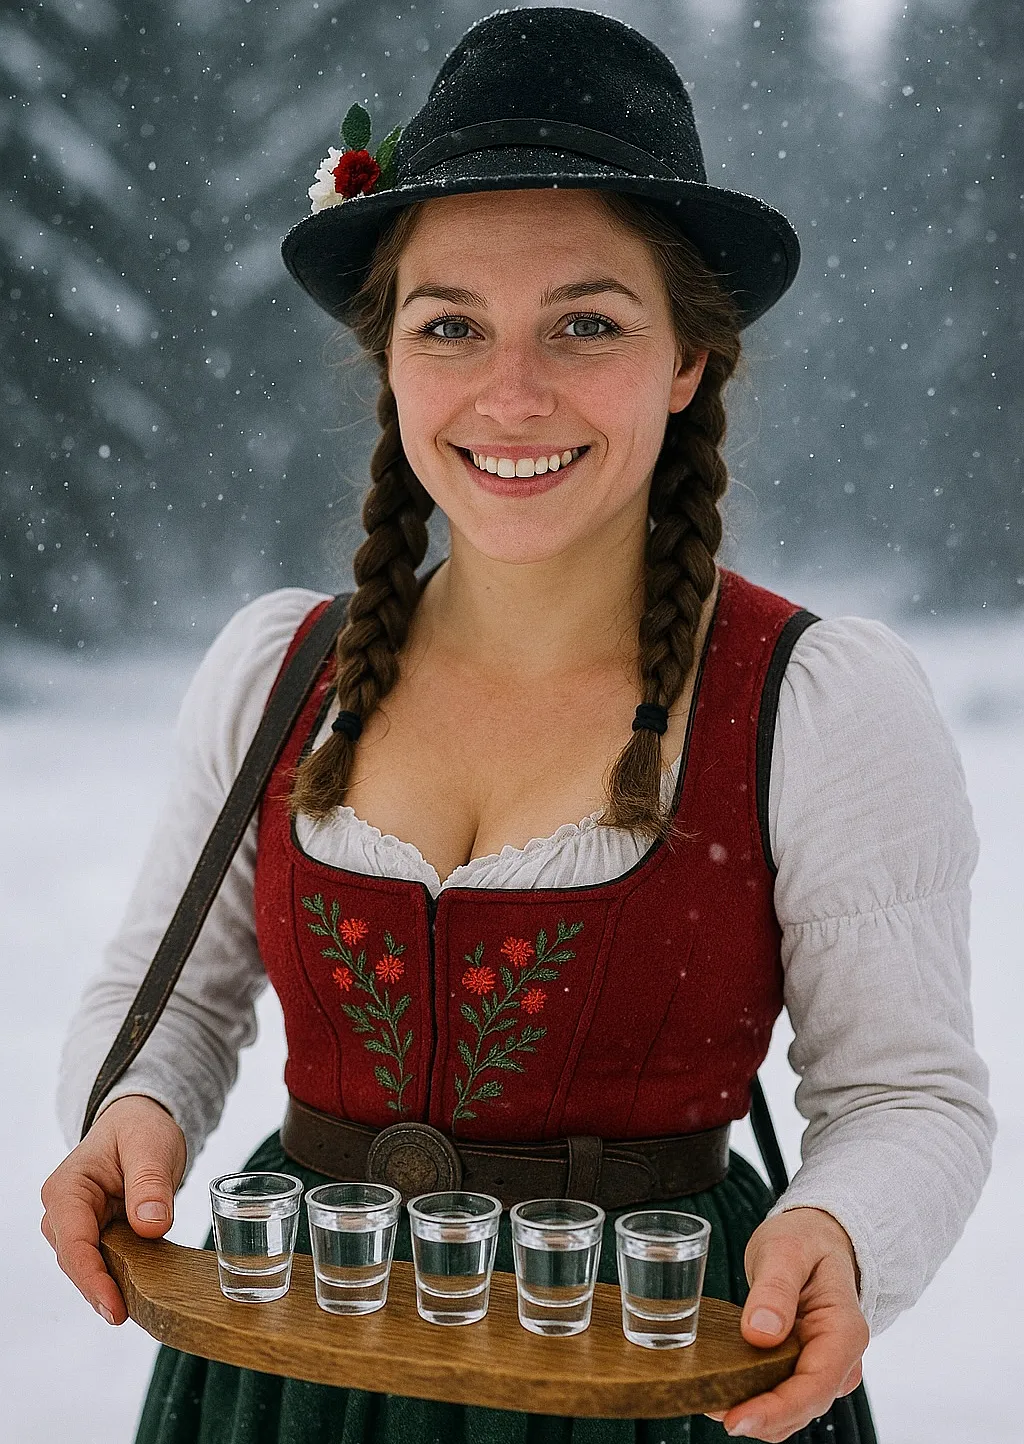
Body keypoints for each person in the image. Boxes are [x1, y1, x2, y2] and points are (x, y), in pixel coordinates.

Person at [41, 8, 994, 1444]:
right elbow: (170, 994)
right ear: (391, 364)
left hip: (653, 1370)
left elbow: (907, 1093)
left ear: (691, 363)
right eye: (451, 326)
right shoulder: (277, 673)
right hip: (295, 1369)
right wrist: (135, 1114)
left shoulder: (814, 702)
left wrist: (846, 1233)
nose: (512, 392)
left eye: (587, 322)